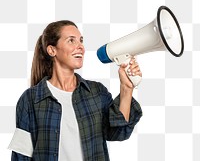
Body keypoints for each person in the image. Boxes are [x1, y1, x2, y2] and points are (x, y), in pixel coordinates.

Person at [8, 20, 142, 161]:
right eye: (71, 41)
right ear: (52, 50)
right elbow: (21, 155)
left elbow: (119, 133)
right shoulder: (30, 100)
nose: (80, 47)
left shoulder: (97, 92)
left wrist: (126, 88)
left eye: (81, 41)